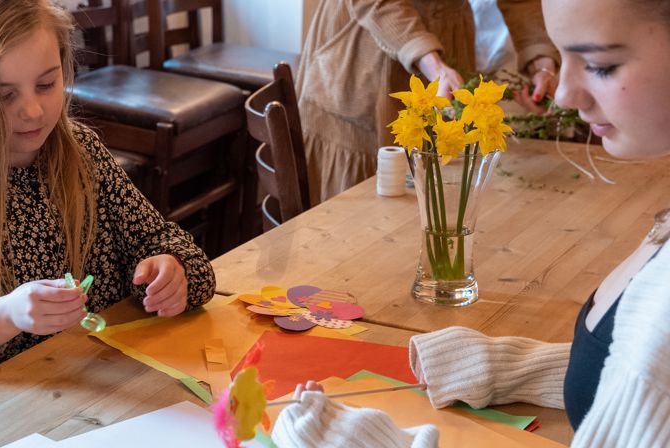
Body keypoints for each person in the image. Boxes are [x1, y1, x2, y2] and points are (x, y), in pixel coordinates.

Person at [273, 0, 670, 445]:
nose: (564, 96)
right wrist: (503, 366)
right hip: (372, 64)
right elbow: (627, 366)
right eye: (567, 55)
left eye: (600, 64)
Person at [0, 0, 215, 400]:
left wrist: (174, 271)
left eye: (46, 85)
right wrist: (4, 315)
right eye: (5, 95)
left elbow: (164, 243)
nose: (31, 111)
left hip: (112, 384)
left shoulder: (82, 153)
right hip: (13, 409)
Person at [296, 0, 559, 204]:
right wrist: (431, 64)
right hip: (370, 44)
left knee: (439, 187)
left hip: (448, 42)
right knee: (366, 210)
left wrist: (540, 61)